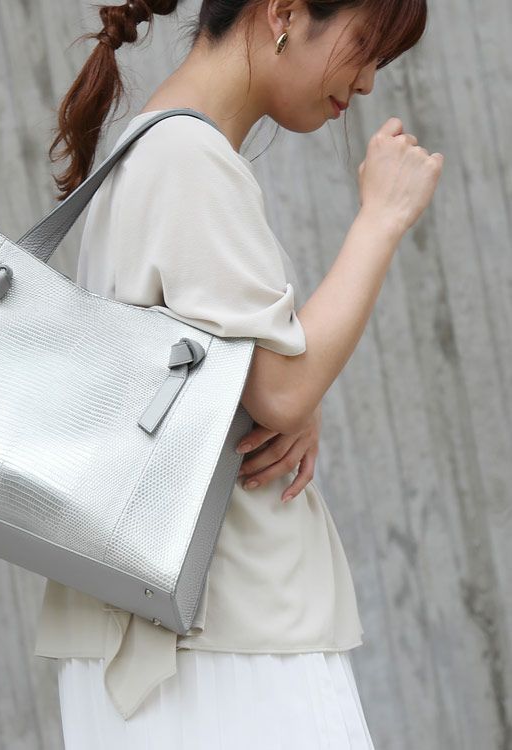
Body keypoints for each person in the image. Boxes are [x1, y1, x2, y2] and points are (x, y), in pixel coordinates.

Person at [34, 0, 443, 746]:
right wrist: (381, 218)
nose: (368, 82)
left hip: (166, 631)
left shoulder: (155, 146)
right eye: (366, 45)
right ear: (284, 11)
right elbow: (281, 390)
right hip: (221, 638)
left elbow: (236, 376)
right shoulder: (188, 159)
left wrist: (286, 389)